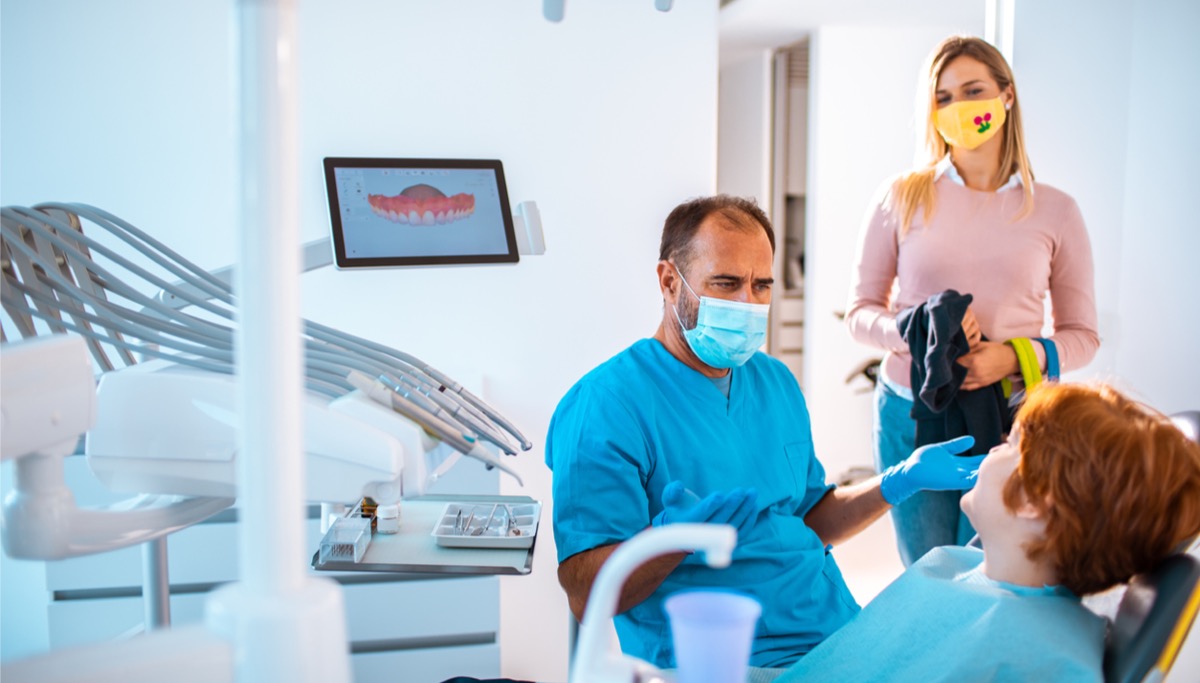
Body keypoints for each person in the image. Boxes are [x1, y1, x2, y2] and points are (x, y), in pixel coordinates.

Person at [546, 194, 987, 671]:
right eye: (727, 283)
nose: (747, 303)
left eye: (761, 285)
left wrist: (895, 482)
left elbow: (809, 519)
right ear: (669, 282)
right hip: (727, 659)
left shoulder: (774, 382)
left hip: (837, 634)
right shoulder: (606, 404)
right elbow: (585, 593)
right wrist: (672, 539)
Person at [845, 35, 1101, 567]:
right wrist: (922, 335)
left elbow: (1083, 337)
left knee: (1000, 570)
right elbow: (861, 312)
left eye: (973, 90)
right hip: (912, 413)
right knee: (927, 568)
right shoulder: (902, 196)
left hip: (1015, 419)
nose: (958, 107)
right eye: (943, 97)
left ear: (1006, 95)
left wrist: (1010, 357)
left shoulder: (1056, 211)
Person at [775, 382, 1200, 682]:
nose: (995, 448)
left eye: (1013, 443)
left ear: (1033, 500)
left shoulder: (1042, 660)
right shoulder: (957, 562)